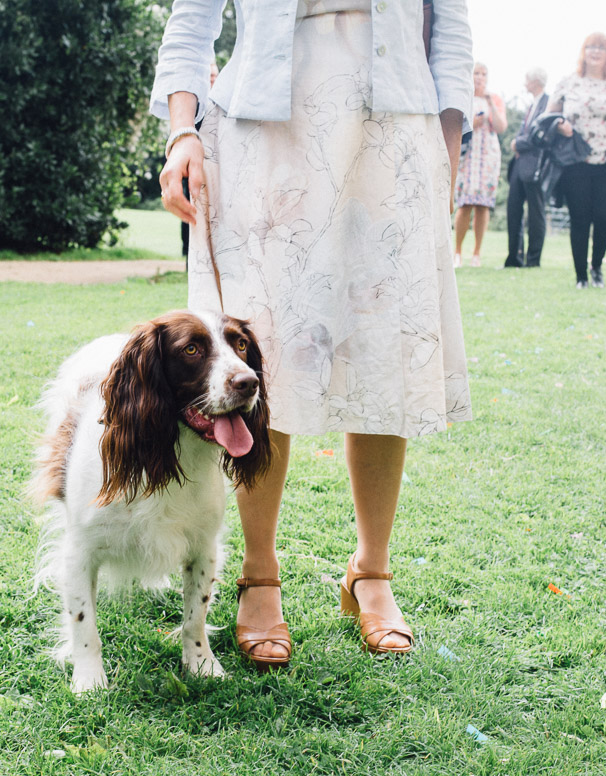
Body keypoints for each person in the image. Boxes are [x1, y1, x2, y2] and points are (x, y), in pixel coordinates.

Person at [152, 0, 473, 666]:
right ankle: (259, 573)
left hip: (395, 132)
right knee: (263, 354)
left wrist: (446, 141)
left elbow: (451, 24)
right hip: (263, 135)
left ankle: (372, 572)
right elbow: (191, 18)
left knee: (381, 346)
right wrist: (182, 130)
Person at [548, 33, 606, 288]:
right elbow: (547, 119)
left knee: (605, 217)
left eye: (601, 47)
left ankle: (596, 265)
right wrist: (560, 124)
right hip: (575, 159)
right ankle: (581, 276)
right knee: (580, 218)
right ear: (583, 51)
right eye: (591, 46)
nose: (596, 51)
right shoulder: (568, 83)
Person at [454, 63, 506, 268]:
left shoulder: (495, 99)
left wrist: (491, 104)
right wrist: (475, 121)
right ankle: (457, 251)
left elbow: (501, 127)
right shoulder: (464, 96)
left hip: (488, 157)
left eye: (484, 74)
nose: (480, 77)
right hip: (468, 156)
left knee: (483, 205)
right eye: (476, 73)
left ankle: (477, 253)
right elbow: (460, 127)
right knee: (465, 203)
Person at [504, 67, 549, 268]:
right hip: (519, 165)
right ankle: (514, 258)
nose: (524, 83)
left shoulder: (548, 104)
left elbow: (541, 135)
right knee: (513, 209)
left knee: (535, 213)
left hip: (536, 165)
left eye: (526, 80)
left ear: (535, 82)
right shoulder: (531, 105)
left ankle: (533, 260)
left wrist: (517, 143)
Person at [180, 61, 219, 268]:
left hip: (213, 171)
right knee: (189, 212)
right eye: (209, 75)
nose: (212, 78)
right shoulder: (192, 107)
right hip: (191, 170)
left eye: (215, 75)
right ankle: (189, 259)